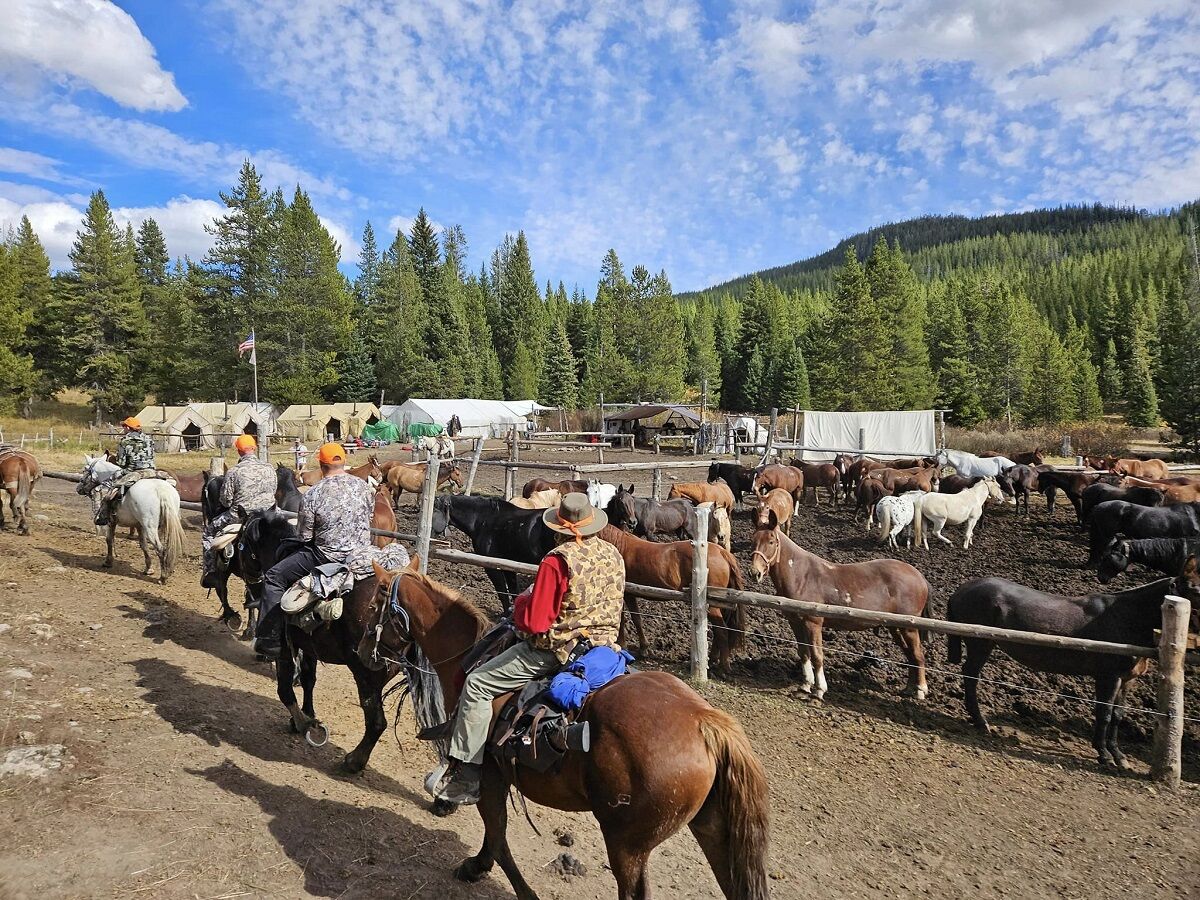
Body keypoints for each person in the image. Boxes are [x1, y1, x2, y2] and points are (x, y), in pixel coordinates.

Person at [433, 492, 626, 805]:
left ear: (558, 528)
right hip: (603, 646)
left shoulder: (556, 560)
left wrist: (522, 603)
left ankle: (465, 774)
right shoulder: (611, 552)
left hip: (557, 649)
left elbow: (535, 623)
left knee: (478, 684)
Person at [254, 442, 373, 658]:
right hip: (363, 554)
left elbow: (304, 536)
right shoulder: (364, 487)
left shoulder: (313, 494)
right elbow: (369, 517)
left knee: (273, 577)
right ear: (345, 461)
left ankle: (268, 638)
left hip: (326, 556)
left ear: (320, 464)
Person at [200, 434, 278, 588]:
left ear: (239, 451)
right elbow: (273, 491)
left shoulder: (234, 471)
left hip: (240, 516)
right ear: (254, 448)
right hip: (270, 514)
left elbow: (226, 500)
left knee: (208, 533)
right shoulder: (269, 468)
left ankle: (211, 571)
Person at [94, 417, 156, 526]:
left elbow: (121, 463)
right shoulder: (149, 439)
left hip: (132, 472)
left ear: (128, 427)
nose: (124, 429)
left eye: (124, 427)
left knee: (110, 491)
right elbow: (152, 456)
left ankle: (104, 516)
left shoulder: (125, 441)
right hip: (151, 471)